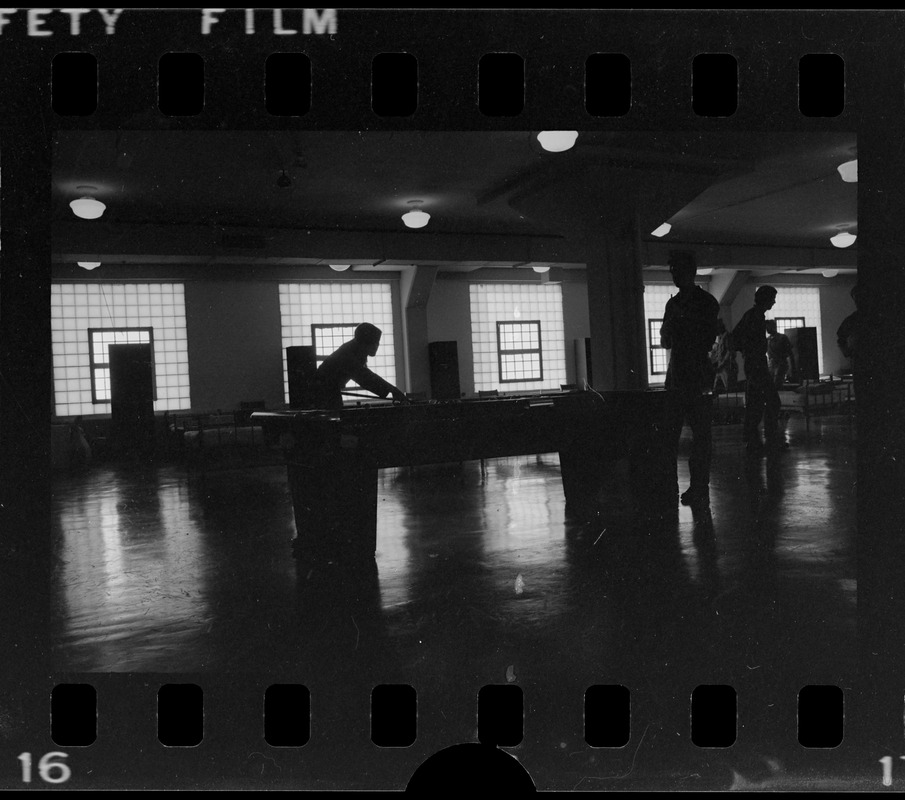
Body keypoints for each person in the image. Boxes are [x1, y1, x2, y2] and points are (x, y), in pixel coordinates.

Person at [660, 251, 720, 507]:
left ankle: (698, 487)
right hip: (682, 376)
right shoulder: (676, 305)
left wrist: (678, 326)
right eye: (672, 270)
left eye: (678, 270)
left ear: (691, 272)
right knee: (675, 436)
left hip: (693, 375)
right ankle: (680, 487)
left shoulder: (703, 303)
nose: (674, 275)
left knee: (698, 436)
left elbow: (705, 340)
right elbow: (665, 341)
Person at [731, 286, 785, 453]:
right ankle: (768, 439)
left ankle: (754, 440)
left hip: (754, 363)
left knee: (756, 403)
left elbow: (734, 339)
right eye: (772, 298)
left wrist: (745, 352)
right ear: (765, 299)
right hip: (756, 365)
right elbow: (736, 339)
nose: (774, 302)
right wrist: (750, 353)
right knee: (771, 402)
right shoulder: (755, 317)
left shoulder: (752, 315)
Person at [315, 323, 409, 409]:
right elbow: (365, 377)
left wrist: (391, 389)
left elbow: (365, 376)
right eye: (374, 342)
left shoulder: (353, 350)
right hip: (324, 394)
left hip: (327, 391)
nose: (377, 346)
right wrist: (392, 389)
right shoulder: (348, 354)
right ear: (364, 343)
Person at [836, 284, 861, 371]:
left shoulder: (852, 319)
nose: (858, 302)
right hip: (858, 360)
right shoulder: (852, 319)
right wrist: (848, 353)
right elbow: (840, 337)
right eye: (856, 299)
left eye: (860, 298)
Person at [766, 320, 794, 389]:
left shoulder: (782, 338)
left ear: (773, 327)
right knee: (770, 384)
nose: (767, 329)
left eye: (768, 327)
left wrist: (793, 368)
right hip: (771, 364)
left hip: (780, 363)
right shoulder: (768, 339)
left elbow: (790, 353)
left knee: (776, 383)